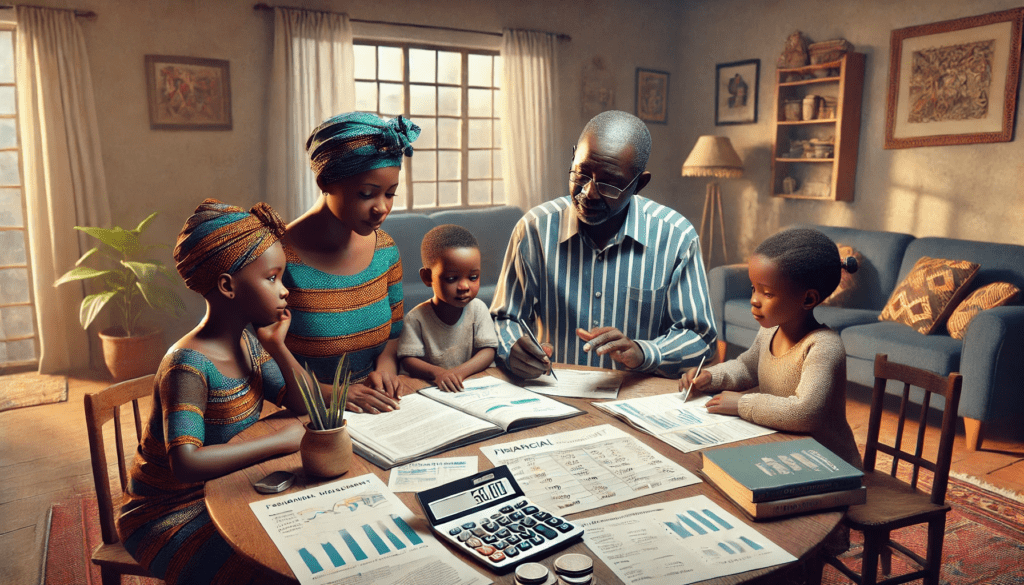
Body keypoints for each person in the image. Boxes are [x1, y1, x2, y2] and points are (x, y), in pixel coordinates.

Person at [117, 199, 311, 585]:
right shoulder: (187, 366)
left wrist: (278, 347)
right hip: (168, 515)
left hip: (225, 489)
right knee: (277, 570)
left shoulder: (250, 343)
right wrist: (280, 443)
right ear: (227, 286)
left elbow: (303, 404)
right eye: (272, 278)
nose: (285, 290)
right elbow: (186, 464)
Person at [491, 110, 716, 380]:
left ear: (639, 184)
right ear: (574, 156)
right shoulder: (534, 229)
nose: (589, 192)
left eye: (609, 184)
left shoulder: (677, 237)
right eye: (582, 174)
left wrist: (644, 353)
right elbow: (504, 318)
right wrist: (511, 348)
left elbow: (702, 340)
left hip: (638, 398)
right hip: (553, 393)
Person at [680, 227, 862, 468]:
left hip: (827, 464)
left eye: (767, 293)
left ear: (808, 299)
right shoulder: (769, 330)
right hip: (784, 450)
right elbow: (746, 368)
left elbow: (805, 412)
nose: (754, 300)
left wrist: (742, 404)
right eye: (753, 288)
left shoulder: (823, 346)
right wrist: (710, 377)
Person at [282, 112, 420, 414]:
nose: (381, 208)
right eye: (367, 194)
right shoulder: (276, 258)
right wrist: (335, 395)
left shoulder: (385, 250)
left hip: (376, 409)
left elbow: (394, 332)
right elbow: (260, 360)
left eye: (390, 194)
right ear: (326, 181)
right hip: (302, 417)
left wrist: (386, 366)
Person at [398, 224, 499, 391]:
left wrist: (457, 373)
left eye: (473, 277)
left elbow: (488, 351)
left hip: (474, 385)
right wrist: (439, 373)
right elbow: (408, 360)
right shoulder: (416, 318)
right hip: (434, 388)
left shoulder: (478, 309)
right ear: (427, 277)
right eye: (452, 278)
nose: (464, 286)